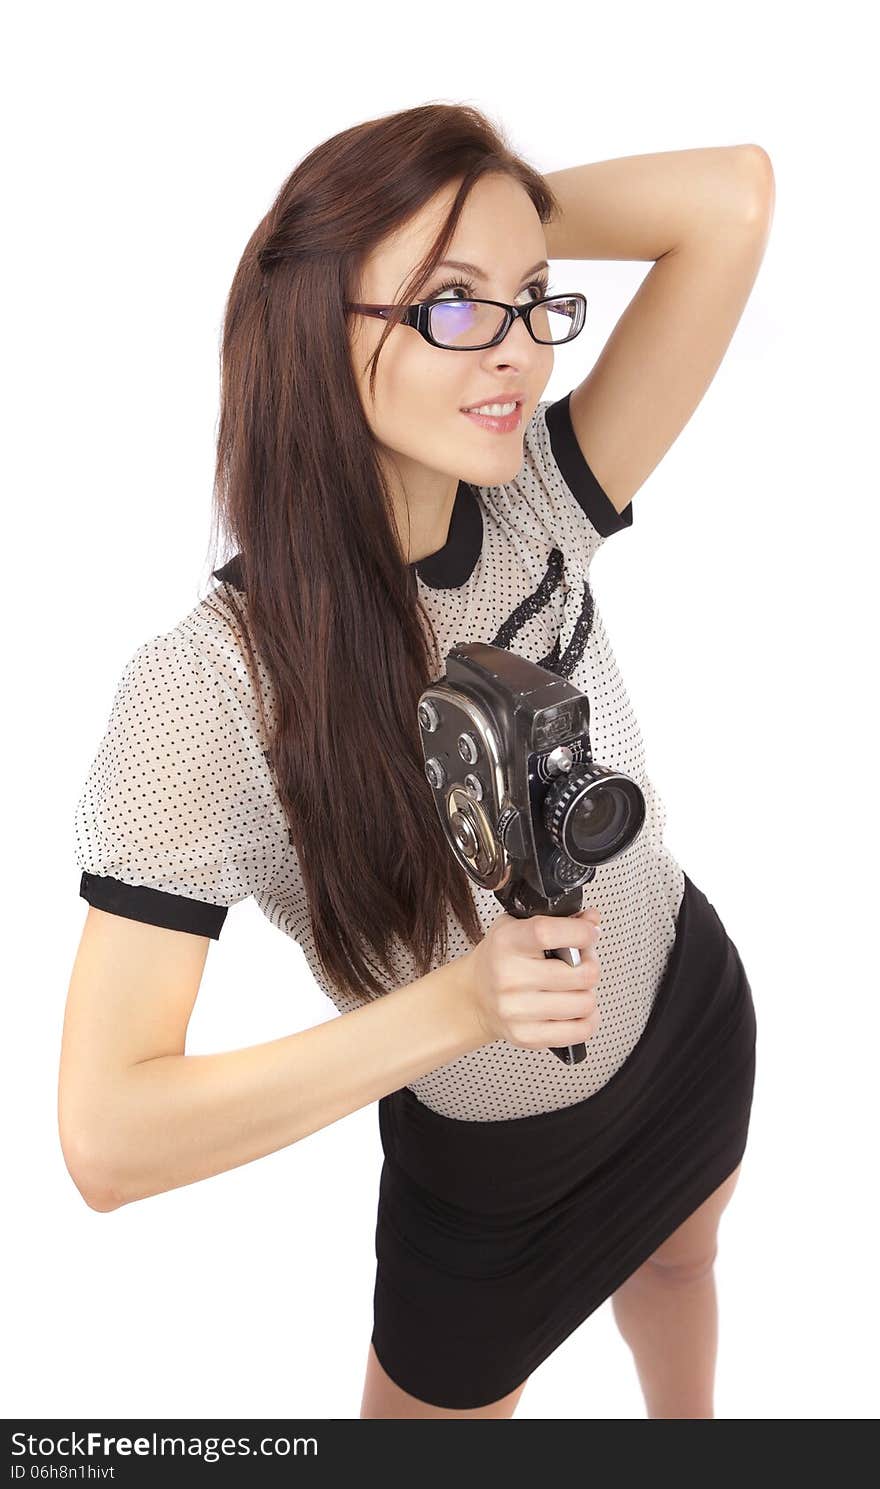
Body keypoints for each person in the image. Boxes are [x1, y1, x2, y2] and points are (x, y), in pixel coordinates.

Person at [60, 103, 772, 1419]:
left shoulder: (542, 499)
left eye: (533, 301)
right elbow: (106, 1135)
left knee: (683, 1264)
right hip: (487, 1178)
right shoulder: (209, 687)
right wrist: (456, 1009)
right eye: (453, 311)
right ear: (313, 331)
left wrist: (482, 217)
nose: (518, 356)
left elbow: (731, 199)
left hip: (684, 1020)